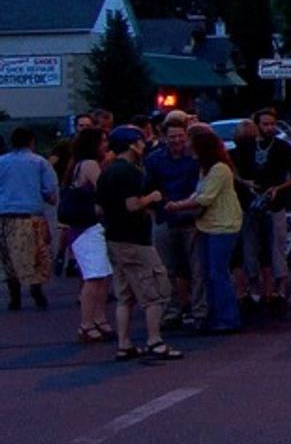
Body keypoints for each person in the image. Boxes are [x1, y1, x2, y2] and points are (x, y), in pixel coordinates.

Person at [98, 128, 181, 360]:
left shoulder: (107, 172)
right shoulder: (128, 172)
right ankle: (155, 340)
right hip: (135, 239)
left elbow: (99, 207)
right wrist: (152, 198)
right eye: (139, 141)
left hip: (114, 237)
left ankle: (124, 343)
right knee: (154, 290)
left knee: (125, 294)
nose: (143, 145)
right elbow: (132, 205)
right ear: (131, 144)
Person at [164, 125, 244, 333]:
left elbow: (205, 197)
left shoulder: (219, 169)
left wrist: (177, 206)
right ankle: (218, 315)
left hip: (223, 226)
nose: (187, 146)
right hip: (209, 225)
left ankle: (229, 318)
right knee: (209, 273)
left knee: (218, 273)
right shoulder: (205, 168)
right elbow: (197, 193)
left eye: (191, 143)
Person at [236, 108, 291, 316]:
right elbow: (229, 167)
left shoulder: (283, 147)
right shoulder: (246, 147)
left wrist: (279, 188)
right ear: (257, 125)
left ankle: (278, 290)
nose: (270, 128)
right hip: (250, 204)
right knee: (250, 247)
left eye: (273, 123)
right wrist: (244, 182)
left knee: (276, 247)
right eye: (265, 124)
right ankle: (255, 288)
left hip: (275, 204)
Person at [144, 114, 202, 327]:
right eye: (172, 137)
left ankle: (199, 311)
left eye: (180, 136)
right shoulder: (154, 160)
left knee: (197, 269)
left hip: (191, 219)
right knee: (166, 270)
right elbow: (148, 187)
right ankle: (171, 311)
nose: (176, 141)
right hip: (165, 219)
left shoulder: (195, 159)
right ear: (165, 137)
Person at [57, 127, 113, 340]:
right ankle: (87, 323)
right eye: (103, 141)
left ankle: (98, 319)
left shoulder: (76, 165)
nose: (106, 145)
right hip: (87, 227)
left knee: (101, 275)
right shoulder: (90, 165)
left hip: (82, 227)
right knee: (94, 276)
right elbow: (104, 188)